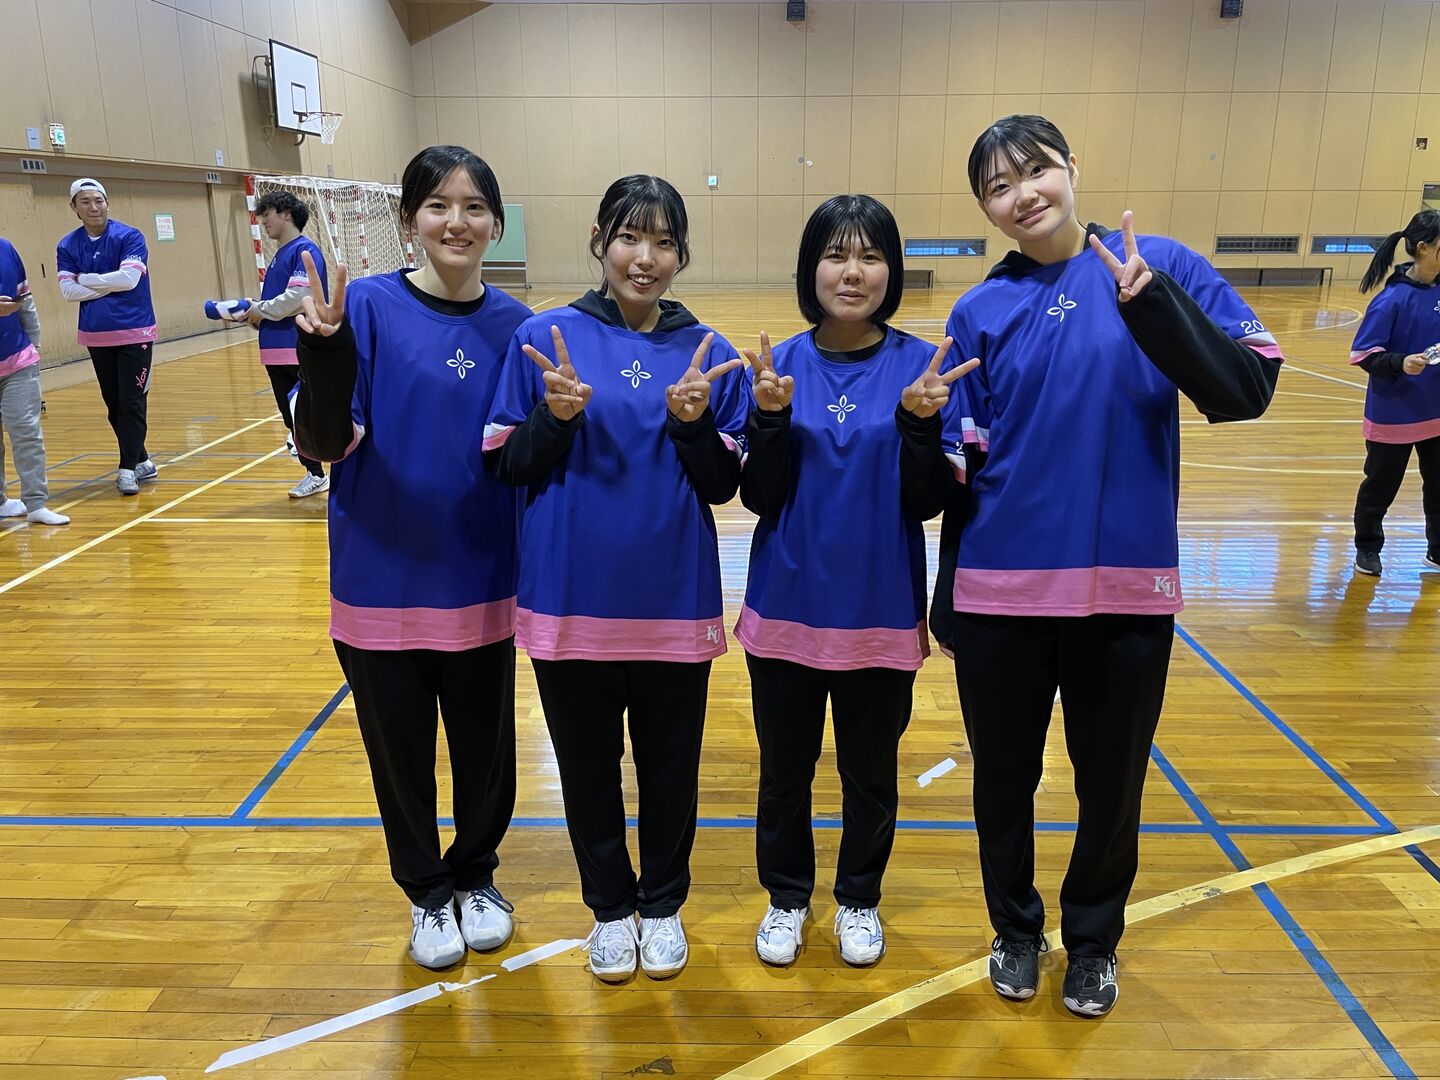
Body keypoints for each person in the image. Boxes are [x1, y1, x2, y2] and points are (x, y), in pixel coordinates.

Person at [901, 115, 1282, 1017]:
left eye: (1035, 170)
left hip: (1125, 590)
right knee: (1004, 781)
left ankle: (1094, 941)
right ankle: (1014, 929)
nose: (1022, 194)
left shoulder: (1160, 266)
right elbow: (962, 469)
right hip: (1000, 595)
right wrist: (946, 591)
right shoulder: (979, 310)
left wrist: (1154, 305)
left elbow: (1248, 390)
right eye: (999, 186)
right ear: (985, 210)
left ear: (1072, 168)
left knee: (1112, 785)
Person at [485, 175, 747, 984]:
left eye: (664, 242)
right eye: (630, 237)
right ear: (600, 240)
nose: (645, 257)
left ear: (681, 255)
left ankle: (662, 905)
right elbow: (507, 465)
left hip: (673, 599)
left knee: (671, 769)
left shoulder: (709, 352)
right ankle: (608, 908)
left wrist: (693, 425)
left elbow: (722, 487)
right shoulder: (543, 336)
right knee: (588, 769)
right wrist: (554, 419)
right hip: (571, 598)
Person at [291, 145, 532, 970]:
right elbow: (324, 443)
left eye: (474, 207)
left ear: (494, 224)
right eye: (438, 205)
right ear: (408, 220)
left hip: (483, 578)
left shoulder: (519, 327)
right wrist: (324, 354)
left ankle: (476, 875)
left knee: (485, 751)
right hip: (380, 580)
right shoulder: (362, 309)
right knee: (399, 753)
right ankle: (427, 893)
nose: (456, 222)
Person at [737, 195, 972, 969]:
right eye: (836, 255)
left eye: (870, 256)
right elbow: (758, 495)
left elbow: (928, 501)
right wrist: (769, 419)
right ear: (811, 268)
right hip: (787, 604)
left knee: (869, 775)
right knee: (785, 773)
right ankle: (786, 897)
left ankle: (859, 898)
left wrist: (919, 425)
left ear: (891, 271)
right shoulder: (779, 364)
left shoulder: (921, 367)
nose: (852, 271)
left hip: (879, 605)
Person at [1347, 209, 1440, 577]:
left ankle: (1437, 550)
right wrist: (1401, 362)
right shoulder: (1392, 300)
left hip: (1436, 411)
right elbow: (1364, 354)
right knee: (1380, 488)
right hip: (1394, 414)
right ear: (1424, 248)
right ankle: (1367, 548)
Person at [55, 178, 158, 496]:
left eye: (98, 200)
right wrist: (105, 283)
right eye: (85, 201)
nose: (93, 207)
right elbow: (68, 292)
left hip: (135, 331)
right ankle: (141, 460)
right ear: (74, 207)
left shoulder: (130, 236)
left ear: (107, 203)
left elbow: (129, 280)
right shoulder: (67, 245)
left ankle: (127, 470)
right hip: (97, 334)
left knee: (132, 402)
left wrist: (87, 279)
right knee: (114, 404)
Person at [245, 190, 329, 498]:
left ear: (287, 214)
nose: (263, 221)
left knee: (310, 415)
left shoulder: (304, 251)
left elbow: (298, 298)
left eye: (267, 214)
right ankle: (315, 474)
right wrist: (254, 315)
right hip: (275, 351)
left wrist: (260, 309)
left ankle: (337, 471)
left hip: (298, 348)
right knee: (290, 416)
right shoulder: (279, 255)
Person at [0, 236, 68, 526]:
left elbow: (24, 299)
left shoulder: (6, 249)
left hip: (18, 361)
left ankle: (36, 503)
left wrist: (35, 345)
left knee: (26, 433)